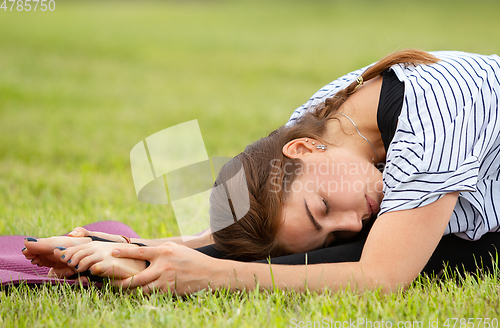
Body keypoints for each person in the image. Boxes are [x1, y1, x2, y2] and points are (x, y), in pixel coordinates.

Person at [23, 49, 500, 295]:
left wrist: (213, 275)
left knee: (410, 252)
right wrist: (143, 245)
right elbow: (273, 225)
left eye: (323, 208)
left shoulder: (433, 114)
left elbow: (382, 276)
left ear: (304, 150)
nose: (350, 222)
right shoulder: (322, 127)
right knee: (337, 243)